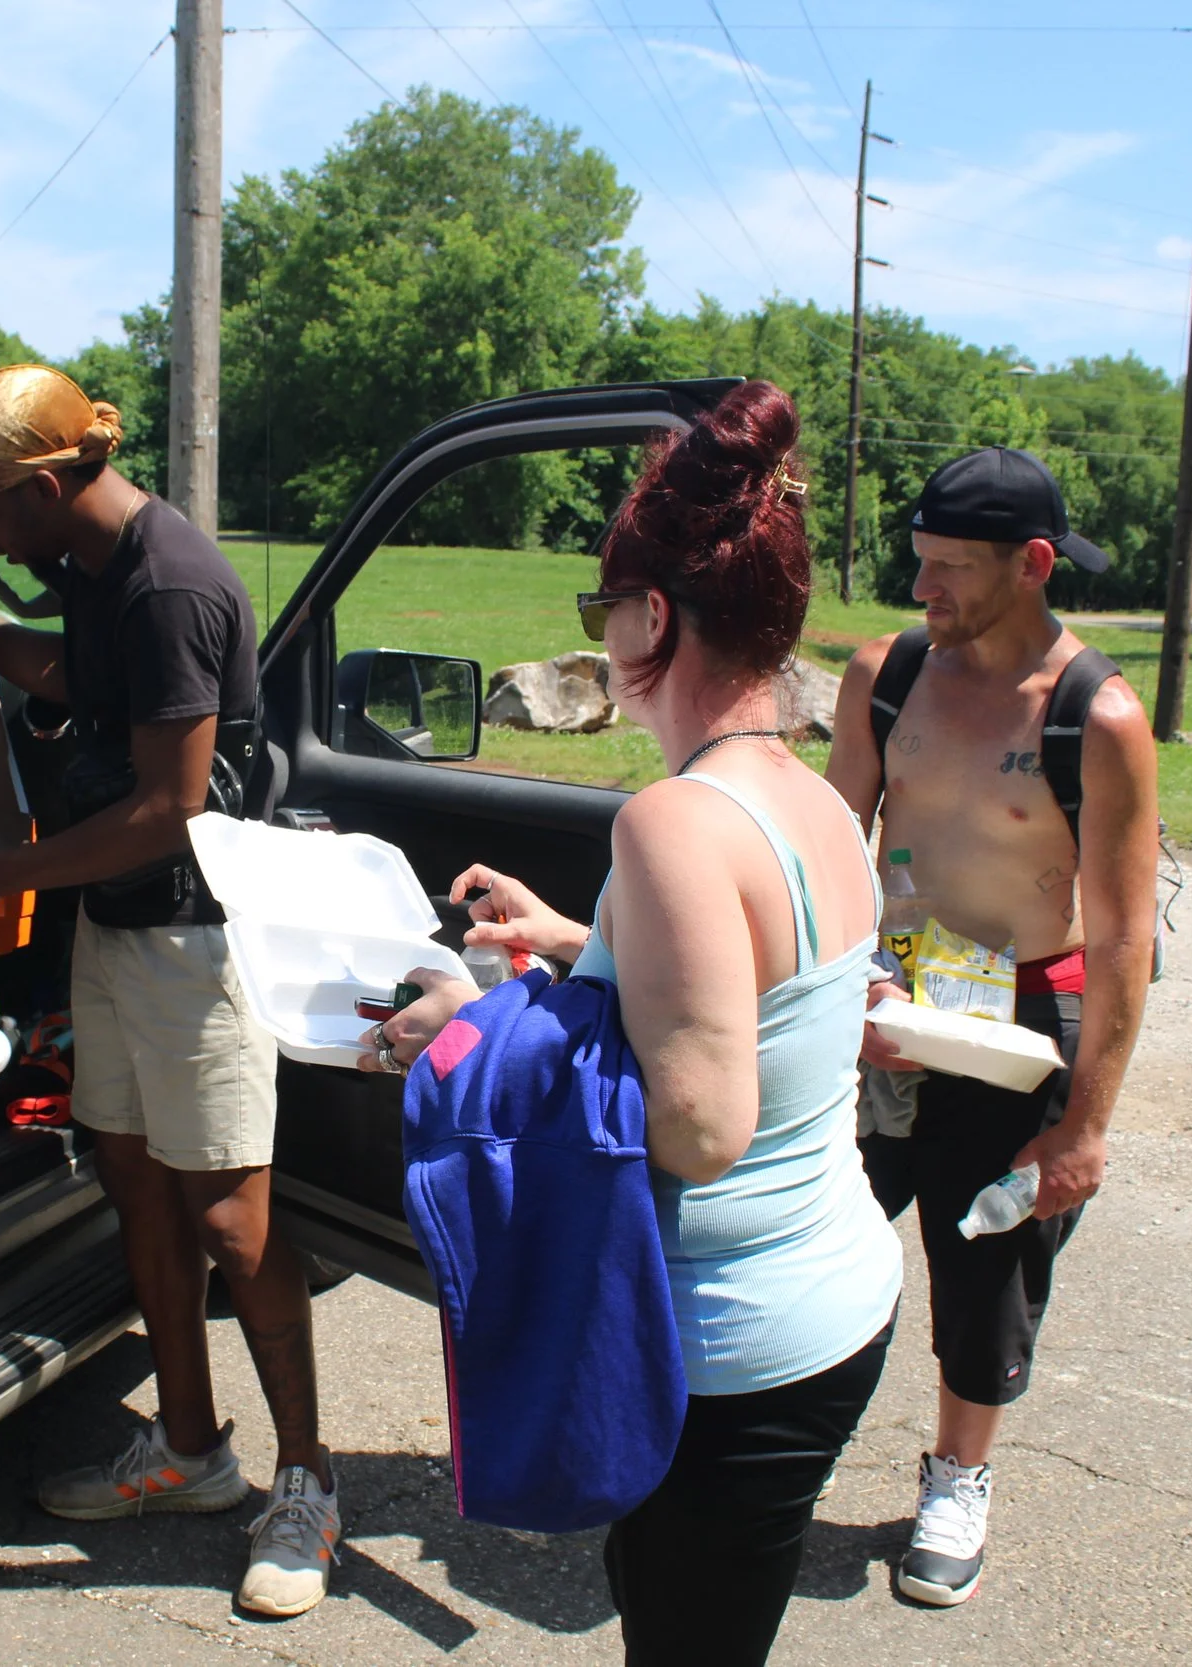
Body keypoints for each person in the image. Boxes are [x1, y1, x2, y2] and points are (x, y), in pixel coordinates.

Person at [368, 380, 903, 1665]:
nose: (603, 634)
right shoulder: (815, 799)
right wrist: (572, 941)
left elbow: (700, 1124)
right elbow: (751, 992)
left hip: (727, 1343)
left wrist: (473, 1025)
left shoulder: (668, 821)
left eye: (604, 608)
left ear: (652, 613)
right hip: (834, 1291)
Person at [0, 365, 333, 1619]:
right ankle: (189, 1450)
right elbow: (100, 690)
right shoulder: (92, 575)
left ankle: (304, 1480)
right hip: (122, 929)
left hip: (199, 946)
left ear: (43, 486)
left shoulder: (169, 581)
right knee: (134, 1183)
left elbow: (168, 804)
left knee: (233, 1225)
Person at [824, 446, 1161, 1609]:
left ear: (1031, 565)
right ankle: (772, 1431)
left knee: (985, 1266)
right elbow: (830, 857)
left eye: (950, 572)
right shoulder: (886, 673)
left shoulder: (1097, 716)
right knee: (815, 1225)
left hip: (1012, 1023)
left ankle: (957, 1475)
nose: (924, 592)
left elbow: (1122, 937)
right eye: (918, 565)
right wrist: (846, 984)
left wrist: (1085, 1122)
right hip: (888, 1006)